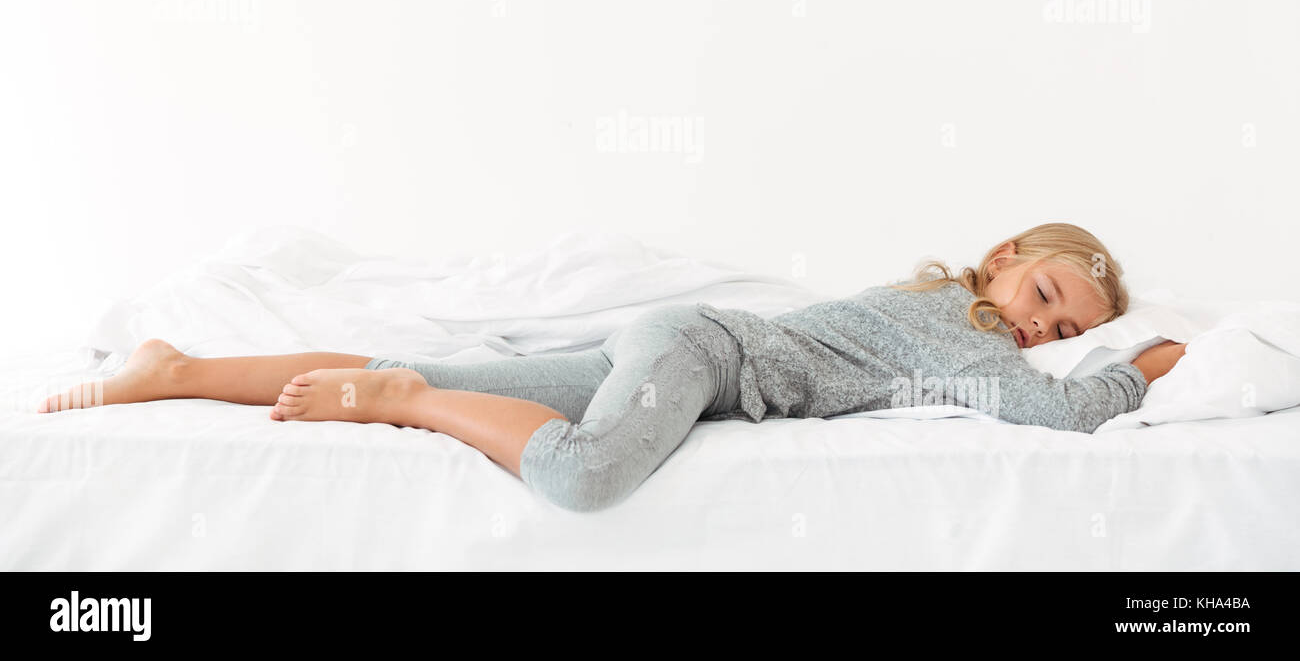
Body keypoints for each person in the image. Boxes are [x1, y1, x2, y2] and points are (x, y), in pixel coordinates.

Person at [37, 222, 1188, 513]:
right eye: (1043, 297)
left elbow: (1041, 388)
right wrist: (1147, 363)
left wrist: (1107, 352)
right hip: (696, 349)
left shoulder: (945, 308)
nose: (1036, 331)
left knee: (402, 353)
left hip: (686, 346)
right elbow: (1061, 411)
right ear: (998, 263)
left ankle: (173, 365)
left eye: (1055, 325)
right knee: (585, 477)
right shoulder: (957, 324)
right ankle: (416, 403)